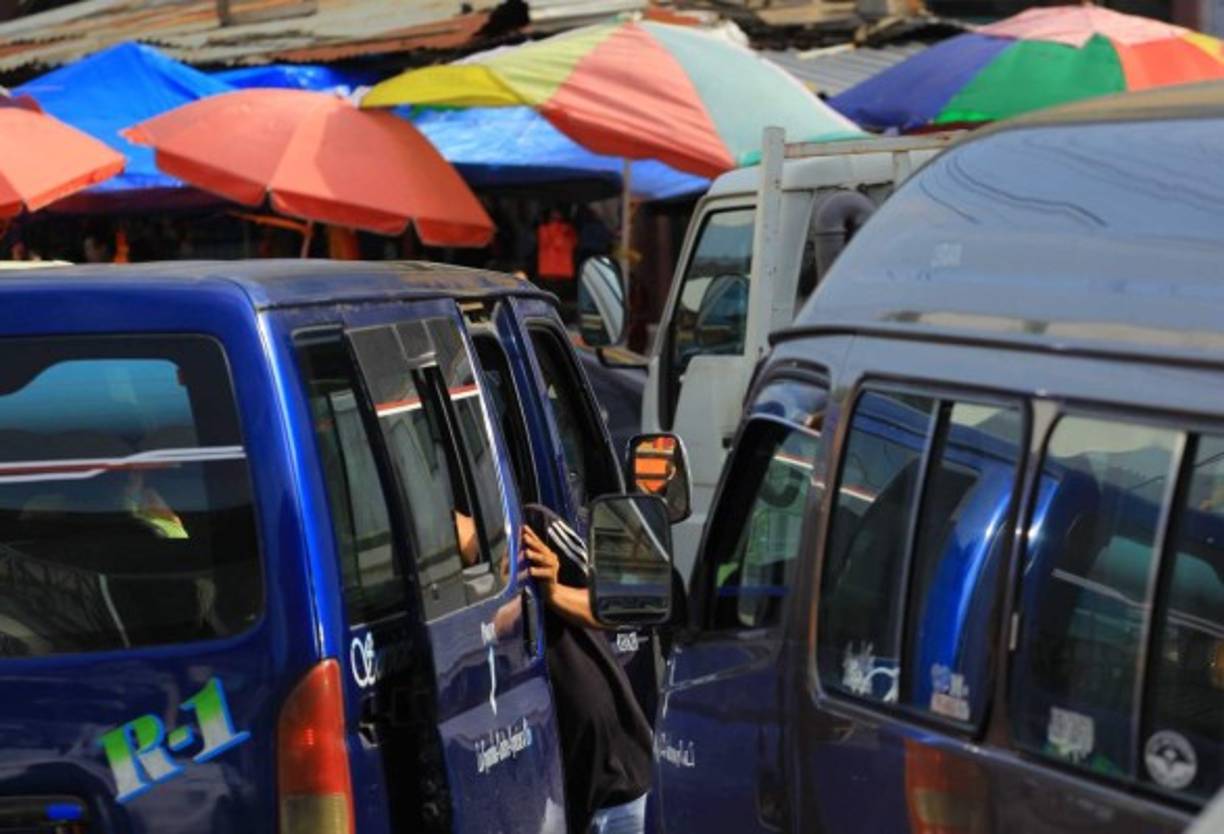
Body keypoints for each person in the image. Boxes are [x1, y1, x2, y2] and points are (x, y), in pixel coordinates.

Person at [521, 504, 654, 834]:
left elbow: (623, 599)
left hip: (617, 788)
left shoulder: (533, 528)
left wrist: (554, 593)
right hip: (554, 805)